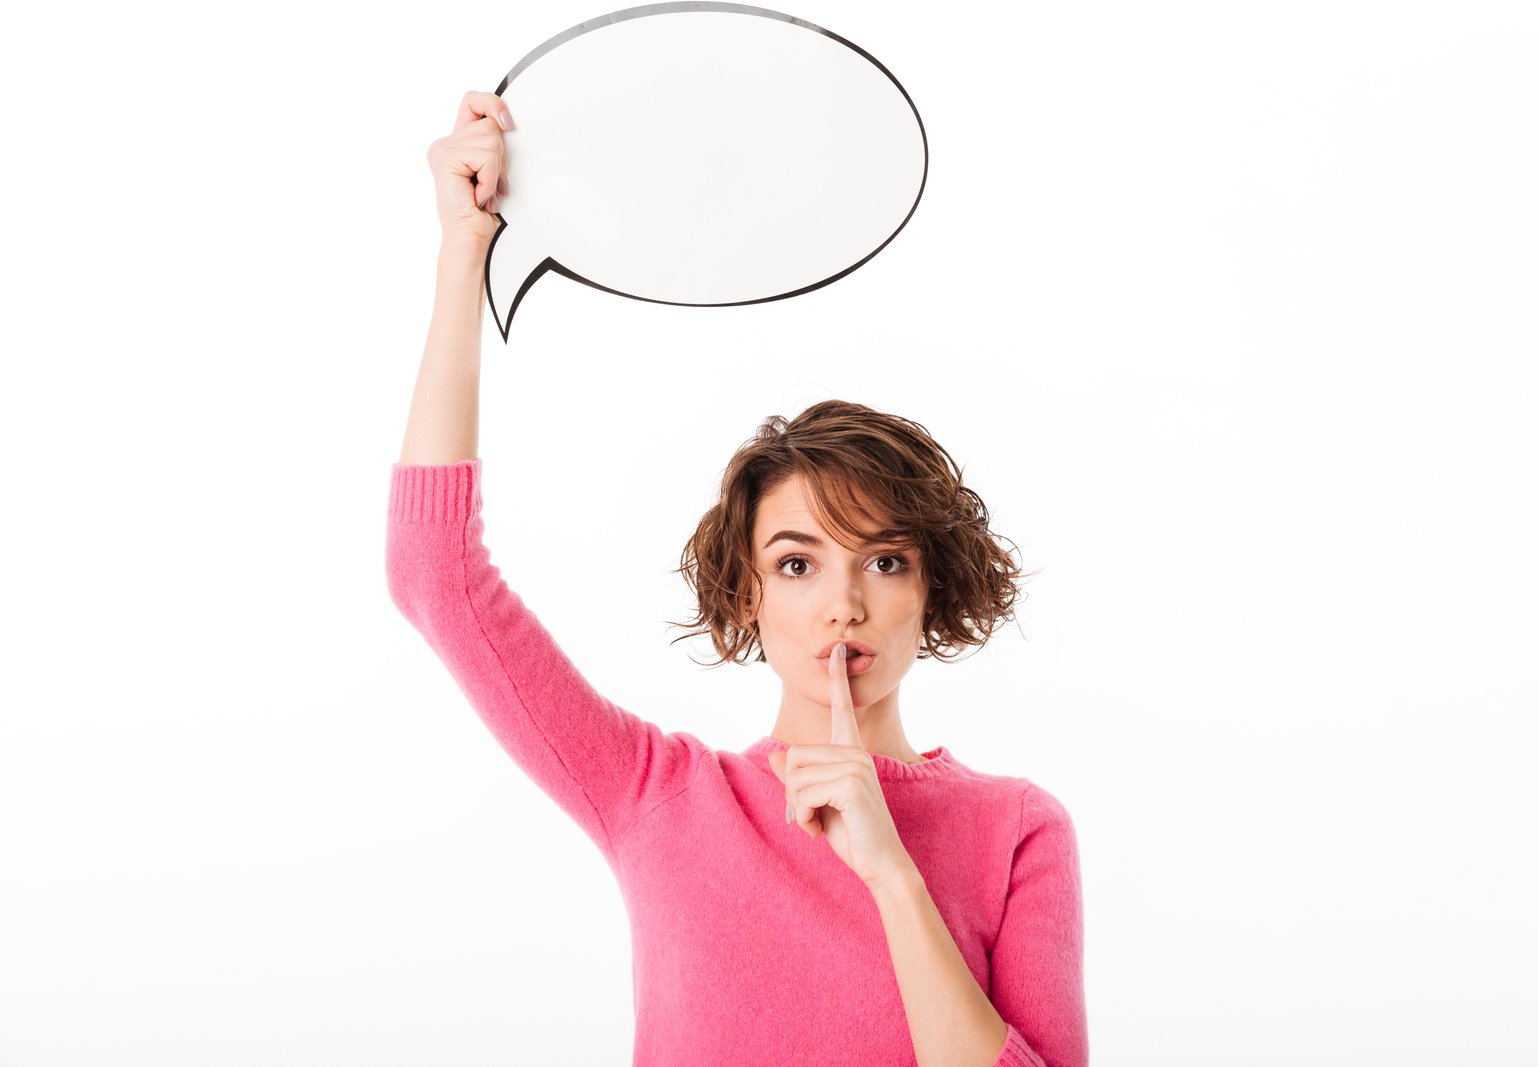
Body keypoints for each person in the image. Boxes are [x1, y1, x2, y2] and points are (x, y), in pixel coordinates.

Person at [388, 90, 1087, 1067]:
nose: (842, 601)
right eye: (796, 562)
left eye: (884, 560)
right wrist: (464, 255)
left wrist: (889, 870)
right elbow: (434, 576)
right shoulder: (655, 794)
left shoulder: (1016, 829)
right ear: (747, 594)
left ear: (932, 589)